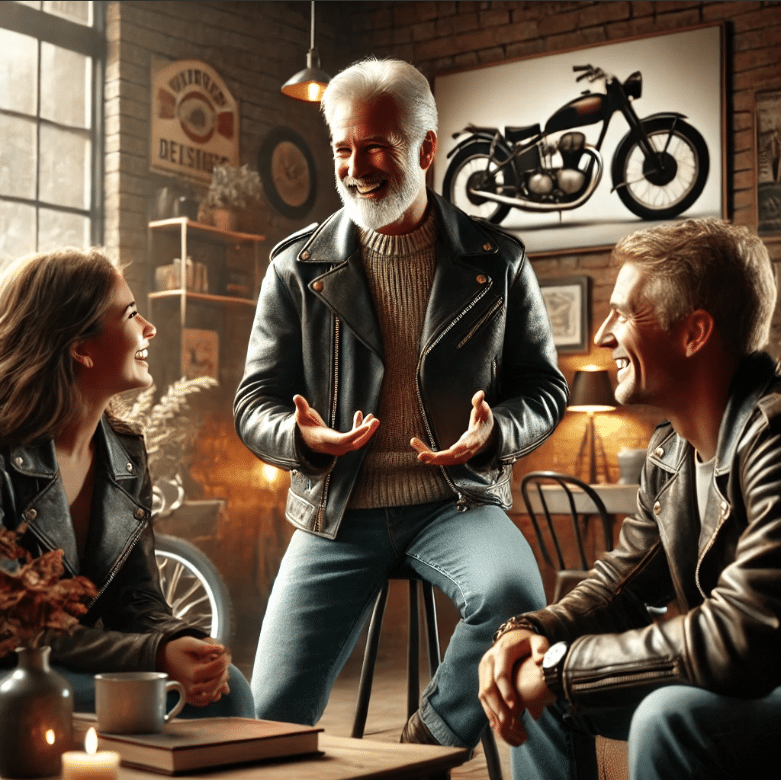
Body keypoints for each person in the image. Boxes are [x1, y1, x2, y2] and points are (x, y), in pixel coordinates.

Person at [234, 56, 568, 750]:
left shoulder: (497, 259)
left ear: (425, 147)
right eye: (342, 149)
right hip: (335, 511)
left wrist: (496, 432)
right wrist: (300, 441)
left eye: (375, 146)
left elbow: (545, 388)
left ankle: (425, 743)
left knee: (513, 598)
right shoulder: (294, 266)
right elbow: (253, 403)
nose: (356, 167)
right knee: (263, 722)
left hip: (455, 501)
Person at [479, 218, 781, 779]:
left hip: (765, 673)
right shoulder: (670, 453)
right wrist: (535, 632)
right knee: (535, 686)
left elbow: (744, 631)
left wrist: (560, 668)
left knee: (667, 716)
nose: (602, 335)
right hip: (737, 673)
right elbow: (621, 586)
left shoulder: (775, 436)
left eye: (623, 312)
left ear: (694, 333)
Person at [0, 248, 254, 718]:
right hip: (14, 668)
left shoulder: (125, 452)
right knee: (149, 697)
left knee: (229, 688)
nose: (149, 328)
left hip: (74, 660)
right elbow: (17, 622)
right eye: (132, 314)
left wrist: (182, 643)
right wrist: (153, 655)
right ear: (80, 346)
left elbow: (136, 598)